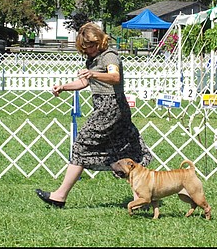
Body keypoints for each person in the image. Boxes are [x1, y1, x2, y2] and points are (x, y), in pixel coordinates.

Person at [35, 22, 152, 208]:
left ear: (99, 40)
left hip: (111, 108)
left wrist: (92, 74)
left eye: (91, 45)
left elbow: (114, 78)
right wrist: (64, 87)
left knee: (81, 145)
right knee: (125, 152)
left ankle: (60, 196)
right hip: (106, 108)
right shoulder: (93, 60)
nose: (88, 50)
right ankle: (146, 196)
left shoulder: (109, 56)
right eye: (85, 47)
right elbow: (83, 82)